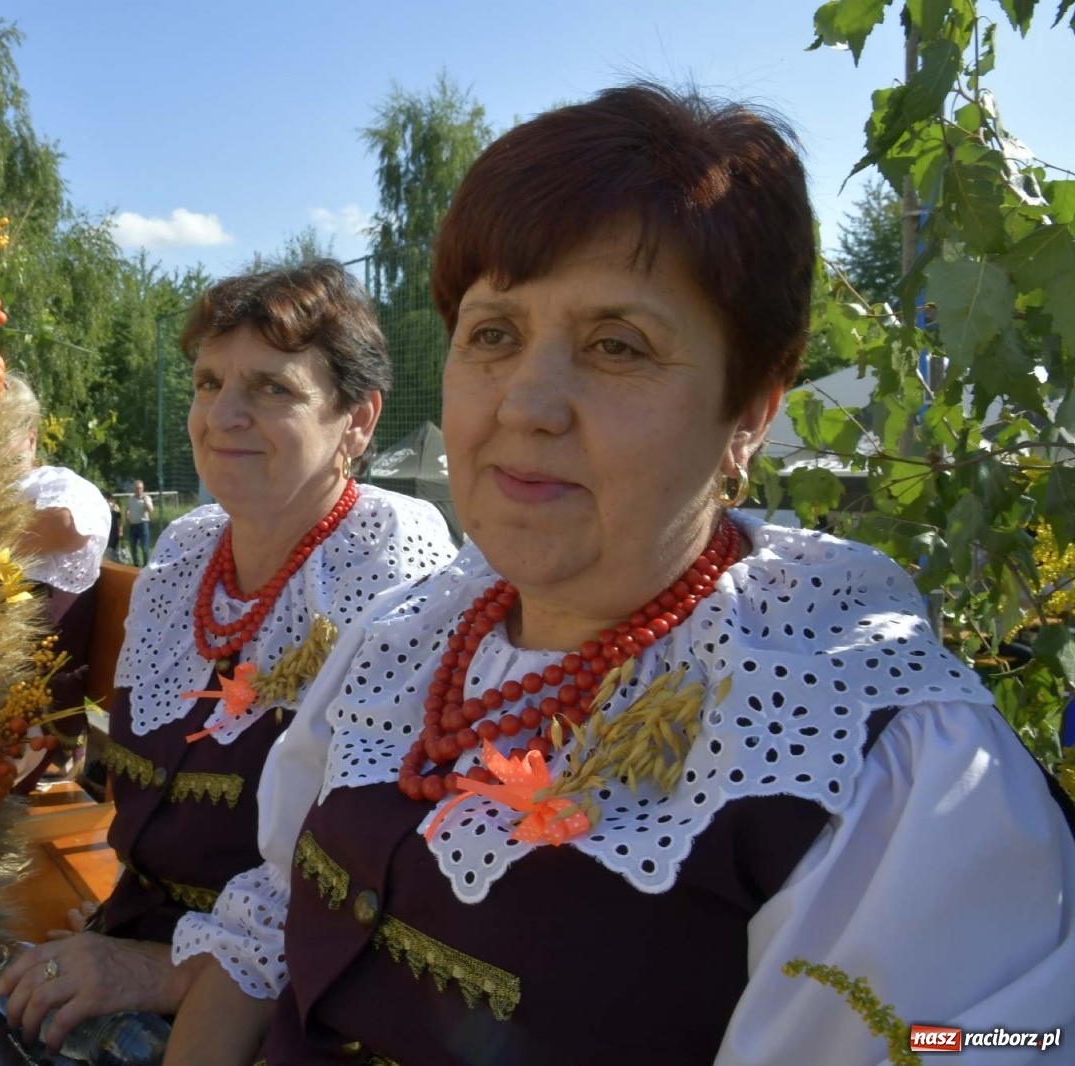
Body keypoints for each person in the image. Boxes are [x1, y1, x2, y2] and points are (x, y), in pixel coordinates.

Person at [165, 85, 1075, 1065]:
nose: (528, 403)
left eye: (616, 346)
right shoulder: (404, 635)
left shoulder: (877, 762)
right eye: (494, 334)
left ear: (751, 414)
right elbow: (269, 917)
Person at [0, 260, 457, 1052]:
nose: (222, 415)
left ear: (358, 421)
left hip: (295, 1000)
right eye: (209, 383)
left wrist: (153, 970)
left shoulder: (390, 555)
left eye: (272, 388)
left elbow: (349, 869)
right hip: (137, 941)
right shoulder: (187, 548)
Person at [0, 372, 113, 787]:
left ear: (30, 438)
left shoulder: (52, 484)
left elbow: (69, 524)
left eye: (0, 432)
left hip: (27, 728)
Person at [125, 479, 154, 566]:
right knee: (133, 548)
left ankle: (146, 566)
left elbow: (150, 510)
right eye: (137, 488)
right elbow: (127, 510)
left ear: (143, 488)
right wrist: (127, 519)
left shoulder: (146, 498)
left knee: (144, 548)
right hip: (133, 525)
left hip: (143, 524)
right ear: (134, 489)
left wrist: (145, 502)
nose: (139, 490)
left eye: (140, 488)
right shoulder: (131, 498)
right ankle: (136, 566)